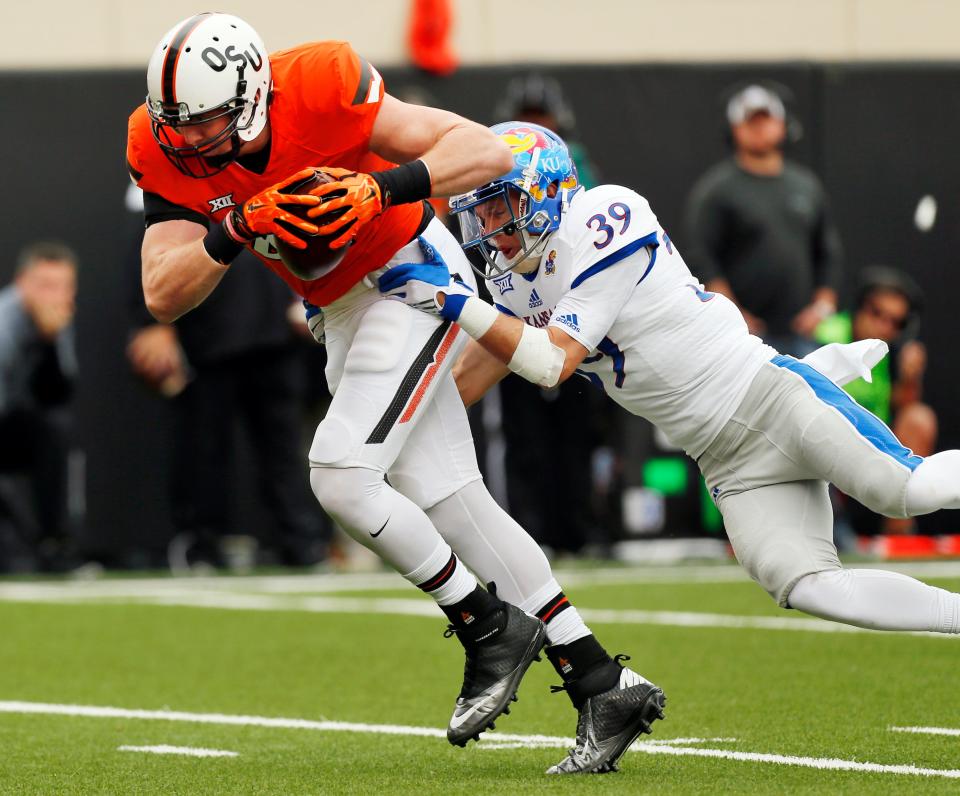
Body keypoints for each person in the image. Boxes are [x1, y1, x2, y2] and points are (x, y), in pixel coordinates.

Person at [126, 13, 664, 773]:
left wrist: (378, 188)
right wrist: (235, 226)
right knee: (449, 497)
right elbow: (162, 292)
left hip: (409, 274)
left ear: (250, 95)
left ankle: (487, 627)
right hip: (339, 308)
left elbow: (482, 148)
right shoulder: (161, 141)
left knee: (340, 474)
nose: (188, 140)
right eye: (175, 125)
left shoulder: (319, 81)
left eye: (205, 122)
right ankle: (603, 682)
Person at [379, 122, 960, 660]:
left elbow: (554, 361)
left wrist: (452, 301)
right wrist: (387, 441)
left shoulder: (605, 213)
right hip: (725, 458)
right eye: (479, 217)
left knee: (905, 488)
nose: (490, 232)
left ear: (546, 189)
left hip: (768, 397)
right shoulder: (514, 278)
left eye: (501, 208)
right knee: (807, 584)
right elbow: (465, 379)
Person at [124, 185, 331, 570]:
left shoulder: (269, 163)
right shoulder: (174, 178)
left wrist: (310, 298)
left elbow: (303, 237)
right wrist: (151, 322)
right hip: (207, 340)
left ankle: (301, 544)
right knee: (205, 450)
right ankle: (202, 545)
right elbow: (151, 249)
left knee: (284, 451)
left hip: (274, 338)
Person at [683, 83, 844, 356]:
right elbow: (702, 259)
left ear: (783, 125)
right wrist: (734, 316)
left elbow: (828, 251)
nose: (759, 128)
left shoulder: (806, 185)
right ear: (734, 129)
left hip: (803, 336)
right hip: (742, 339)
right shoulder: (716, 191)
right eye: (749, 121)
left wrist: (822, 307)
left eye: (766, 119)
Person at [816, 266, 936, 536]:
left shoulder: (896, 351)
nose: (885, 326)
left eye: (896, 322)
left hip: (874, 456)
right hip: (825, 454)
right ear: (859, 307)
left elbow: (903, 411)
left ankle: (898, 534)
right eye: (877, 313)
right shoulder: (825, 335)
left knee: (919, 418)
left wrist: (909, 379)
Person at [0, 242, 80, 571]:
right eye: (46, 285)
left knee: (54, 430)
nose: (55, 295)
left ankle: (54, 544)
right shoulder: (5, 321)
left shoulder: (57, 322)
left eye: (64, 286)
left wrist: (49, 341)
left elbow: (58, 394)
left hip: (15, 424)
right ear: (22, 283)